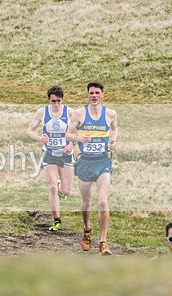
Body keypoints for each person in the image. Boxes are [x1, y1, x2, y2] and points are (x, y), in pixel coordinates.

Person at [66, 81, 118, 255]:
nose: (94, 96)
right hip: (85, 163)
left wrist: (113, 141)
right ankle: (87, 229)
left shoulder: (110, 114)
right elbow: (68, 134)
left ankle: (103, 242)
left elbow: (115, 129)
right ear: (87, 95)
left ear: (102, 95)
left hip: (103, 162)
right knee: (87, 202)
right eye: (91, 93)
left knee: (103, 202)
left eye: (97, 93)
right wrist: (79, 139)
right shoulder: (79, 114)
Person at [26, 85, 75, 231]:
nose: (56, 104)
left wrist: (71, 144)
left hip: (66, 155)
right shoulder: (42, 112)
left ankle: (62, 186)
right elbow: (29, 131)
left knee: (66, 191)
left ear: (62, 100)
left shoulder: (70, 112)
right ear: (49, 100)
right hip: (49, 154)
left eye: (59, 101)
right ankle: (57, 220)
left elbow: (79, 132)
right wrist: (40, 138)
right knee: (52, 187)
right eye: (53, 101)